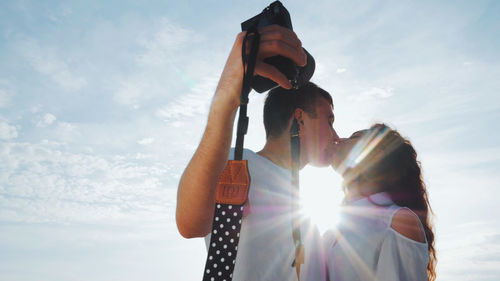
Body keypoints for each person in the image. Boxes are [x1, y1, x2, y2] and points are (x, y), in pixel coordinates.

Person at [176, 25, 339, 280]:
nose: (336, 135)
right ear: (300, 120)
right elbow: (190, 222)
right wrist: (226, 98)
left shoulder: (308, 212)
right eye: (329, 121)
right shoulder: (239, 163)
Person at [325, 123, 437, 281]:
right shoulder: (331, 232)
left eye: (354, 138)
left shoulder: (397, 221)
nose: (340, 139)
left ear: (375, 154)